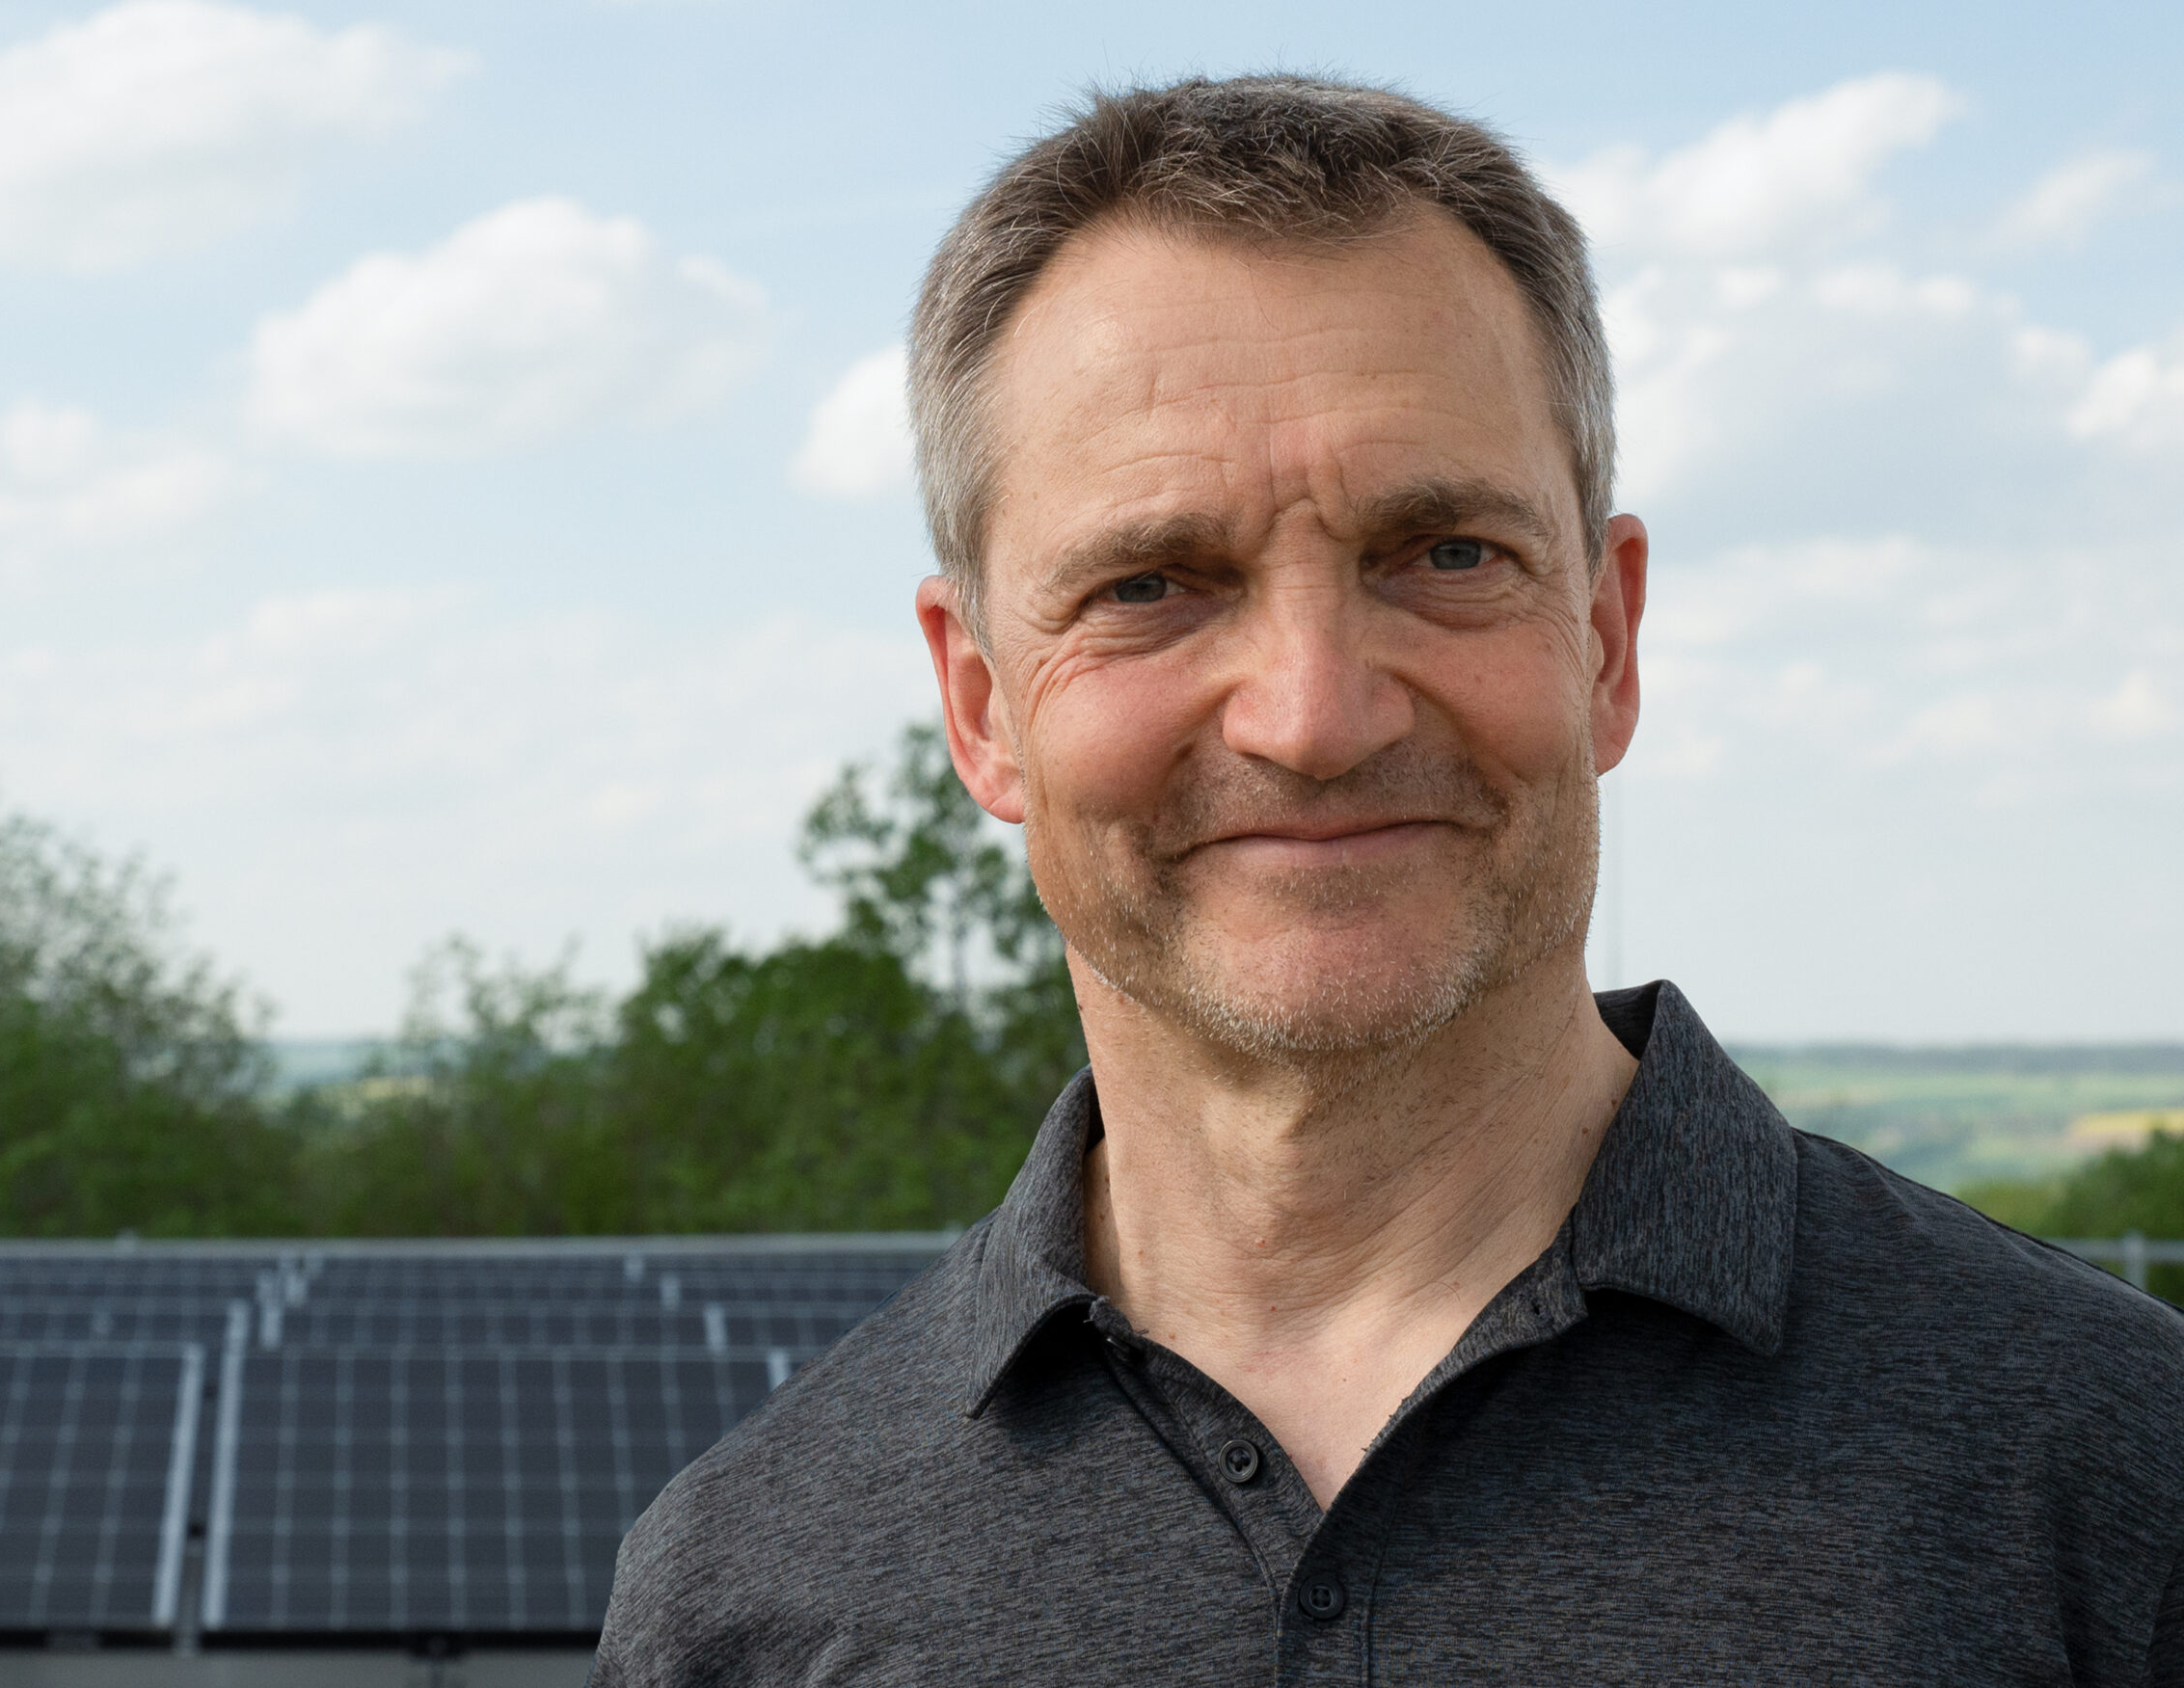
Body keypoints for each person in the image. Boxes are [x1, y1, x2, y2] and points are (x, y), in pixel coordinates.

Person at [593, 75, 2184, 1684]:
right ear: (985, 706)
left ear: (1607, 641)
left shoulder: (2118, 1482)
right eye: (1151, 584)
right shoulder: (746, 1594)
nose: (1314, 717)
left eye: (1443, 556)